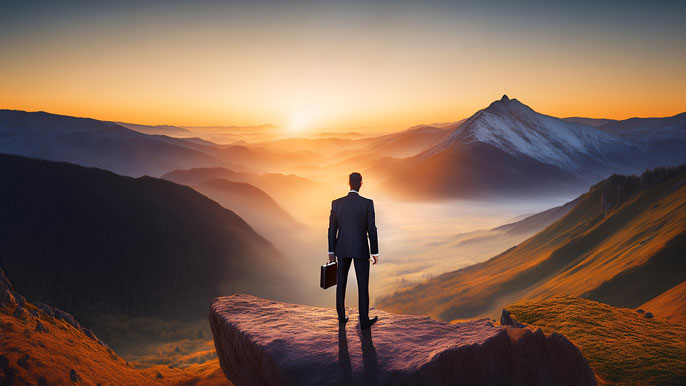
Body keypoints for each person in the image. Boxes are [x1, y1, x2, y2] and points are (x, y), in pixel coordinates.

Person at [328, 172, 379, 329]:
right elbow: (372, 229)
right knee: (362, 284)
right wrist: (375, 252)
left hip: (341, 249)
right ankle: (364, 320)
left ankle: (341, 317)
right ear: (361, 184)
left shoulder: (336, 204)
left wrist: (331, 252)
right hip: (361, 249)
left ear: (349, 183)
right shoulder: (367, 203)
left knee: (341, 283)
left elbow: (332, 230)